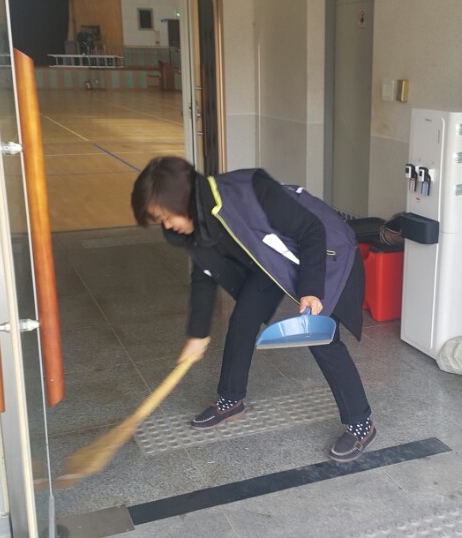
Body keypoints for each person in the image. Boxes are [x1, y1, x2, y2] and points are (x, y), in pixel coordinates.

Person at [131, 156, 376, 462]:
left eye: (166, 216)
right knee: (243, 319)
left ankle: (360, 423)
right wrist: (197, 335)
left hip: (325, 248)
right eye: (160, 221)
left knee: (320, 336)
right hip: (272, 259)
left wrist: (311, 289)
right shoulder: (199, 224)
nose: (167, 225)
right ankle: (231, 399)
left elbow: (311, 231)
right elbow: (204, 275)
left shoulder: (252, 191)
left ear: (182, 200)